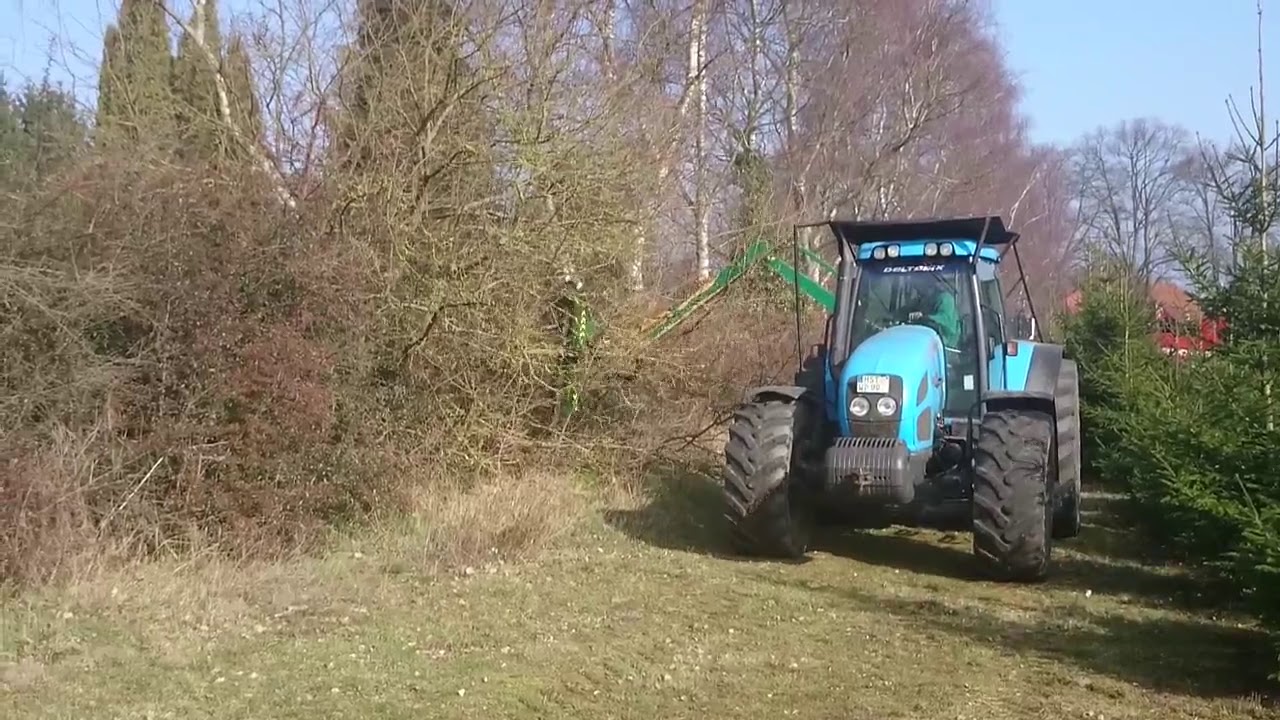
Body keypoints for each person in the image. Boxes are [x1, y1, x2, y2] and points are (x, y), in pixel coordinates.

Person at [907, 283, 961, 348]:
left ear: (930, 287)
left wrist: (925, 317)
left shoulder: (945, 298)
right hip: (920, 341)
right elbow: (904, 311)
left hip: (944, 347)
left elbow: (944, 319)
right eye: (916, 289)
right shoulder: (921, 301)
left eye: (920, 289)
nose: (918, 293)